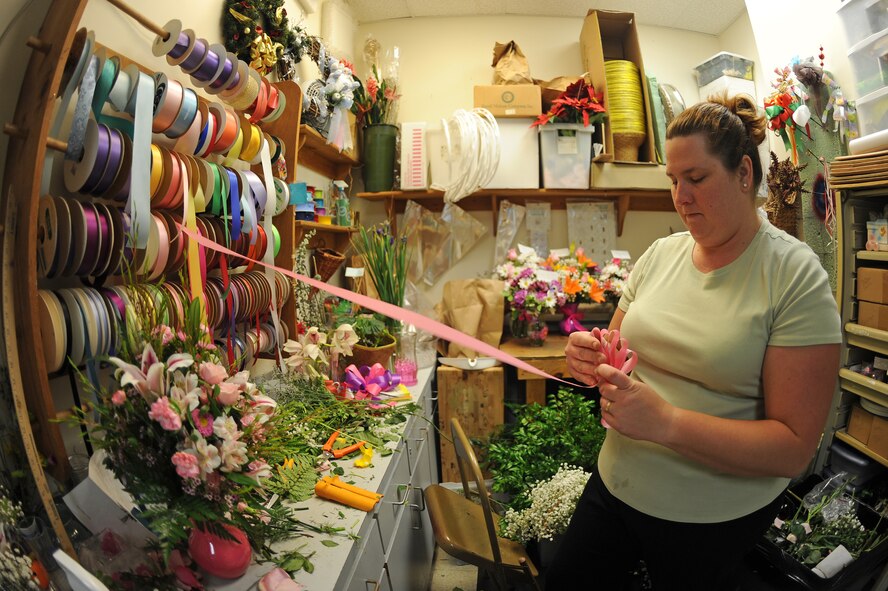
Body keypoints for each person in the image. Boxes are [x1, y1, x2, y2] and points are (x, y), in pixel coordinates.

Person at [546, 93, 841, 590]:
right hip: (617, 483)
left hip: (709, 519)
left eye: (697, 179)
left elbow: (793, 449)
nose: (680, 196)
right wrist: (589, 357)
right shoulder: (662, 254)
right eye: (673, 181)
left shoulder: (793, 276)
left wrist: (666, 422)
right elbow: (615, 352)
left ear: (744, 174)